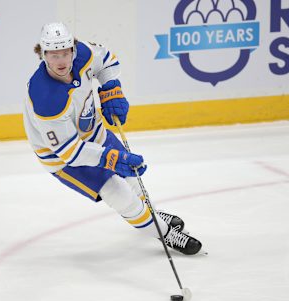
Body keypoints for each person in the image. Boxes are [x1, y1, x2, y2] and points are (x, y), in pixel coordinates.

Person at [23, 22, 202, 255]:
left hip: (94, 132)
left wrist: (111, 87)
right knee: (118, 192)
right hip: (63, 158)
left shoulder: (84, 54)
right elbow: (70, 152)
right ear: (43, 54)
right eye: (54, 55)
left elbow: (106, 60)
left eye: (65, 52)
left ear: (73, 49)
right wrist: (110, 158)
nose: (61, 61)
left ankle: (152, 215)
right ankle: (166, 233)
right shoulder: (46, 97)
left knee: (133, 177)